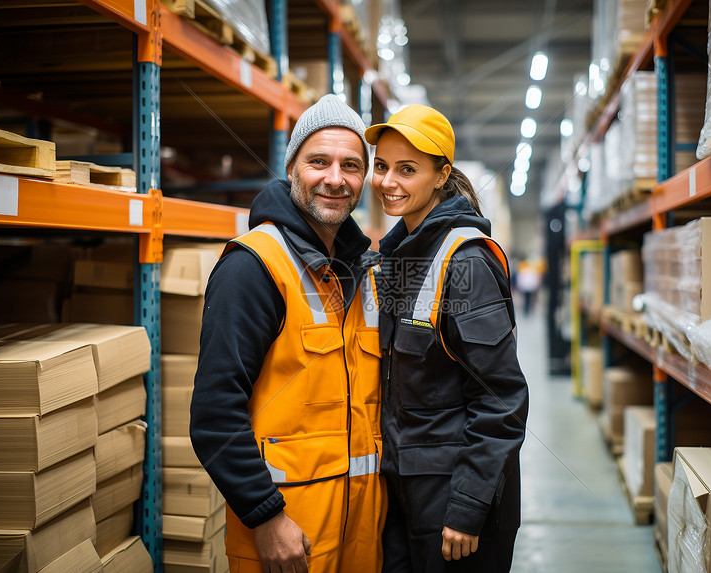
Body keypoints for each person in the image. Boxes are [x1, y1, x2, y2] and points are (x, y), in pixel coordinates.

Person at [190, 94, 385, 573]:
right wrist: (265, 516)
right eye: (319, 161)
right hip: (287, 540)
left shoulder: (363, 271)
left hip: (362, 534)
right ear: (293, 166)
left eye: (351, 165)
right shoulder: (254, 266)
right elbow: (215, 413)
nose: (335, 179)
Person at [364, 105, 529, 572]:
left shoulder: (463, 261)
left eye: (407, 169)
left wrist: (468, 507)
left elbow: (502, 398)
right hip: (409, 485)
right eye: (381, 166)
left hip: (454, 499)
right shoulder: (402, 255)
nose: (388, 182)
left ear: (441, 175)